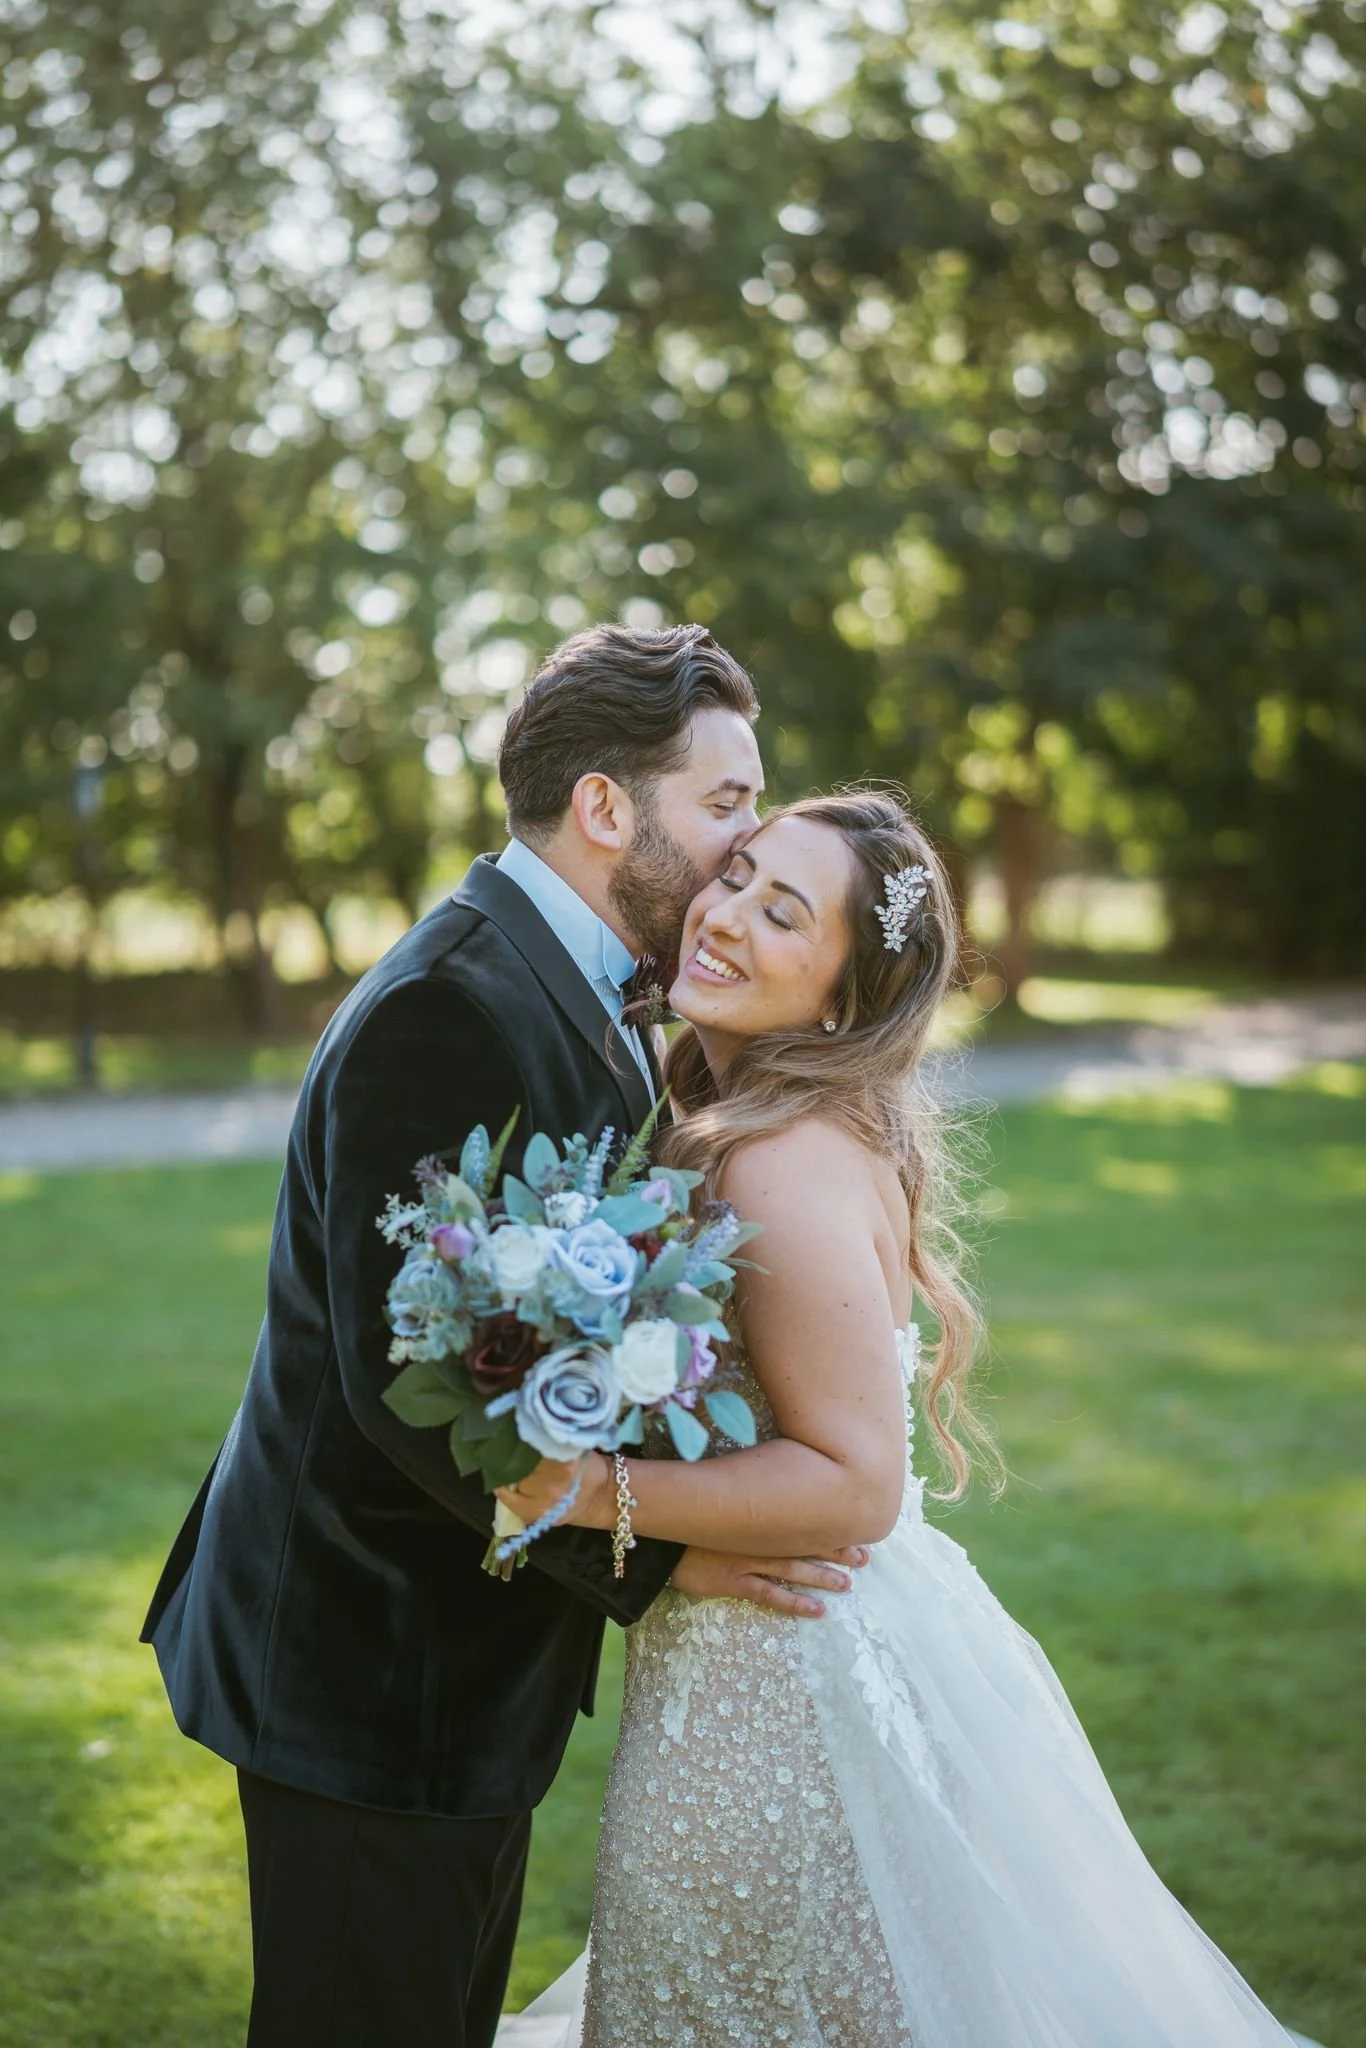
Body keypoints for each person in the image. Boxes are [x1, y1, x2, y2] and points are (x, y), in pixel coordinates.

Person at [140, 623, 868, 2048]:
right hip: (368, 1678)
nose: (741, 850)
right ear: (607, 808)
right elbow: (409, 1394)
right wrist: (667, 1548)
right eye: (725, 807)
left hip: (460, 1676)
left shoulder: (578, 987)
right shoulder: (449, 1005)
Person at [495, 791, 1308, 2048]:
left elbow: (857, 1478)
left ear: (840, 997)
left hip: (785, 1701)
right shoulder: (743, 1120)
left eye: (783, 913)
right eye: (740, 875)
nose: (722, 915)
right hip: (749, 1657)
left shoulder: (780, 1160)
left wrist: (591, 1486)